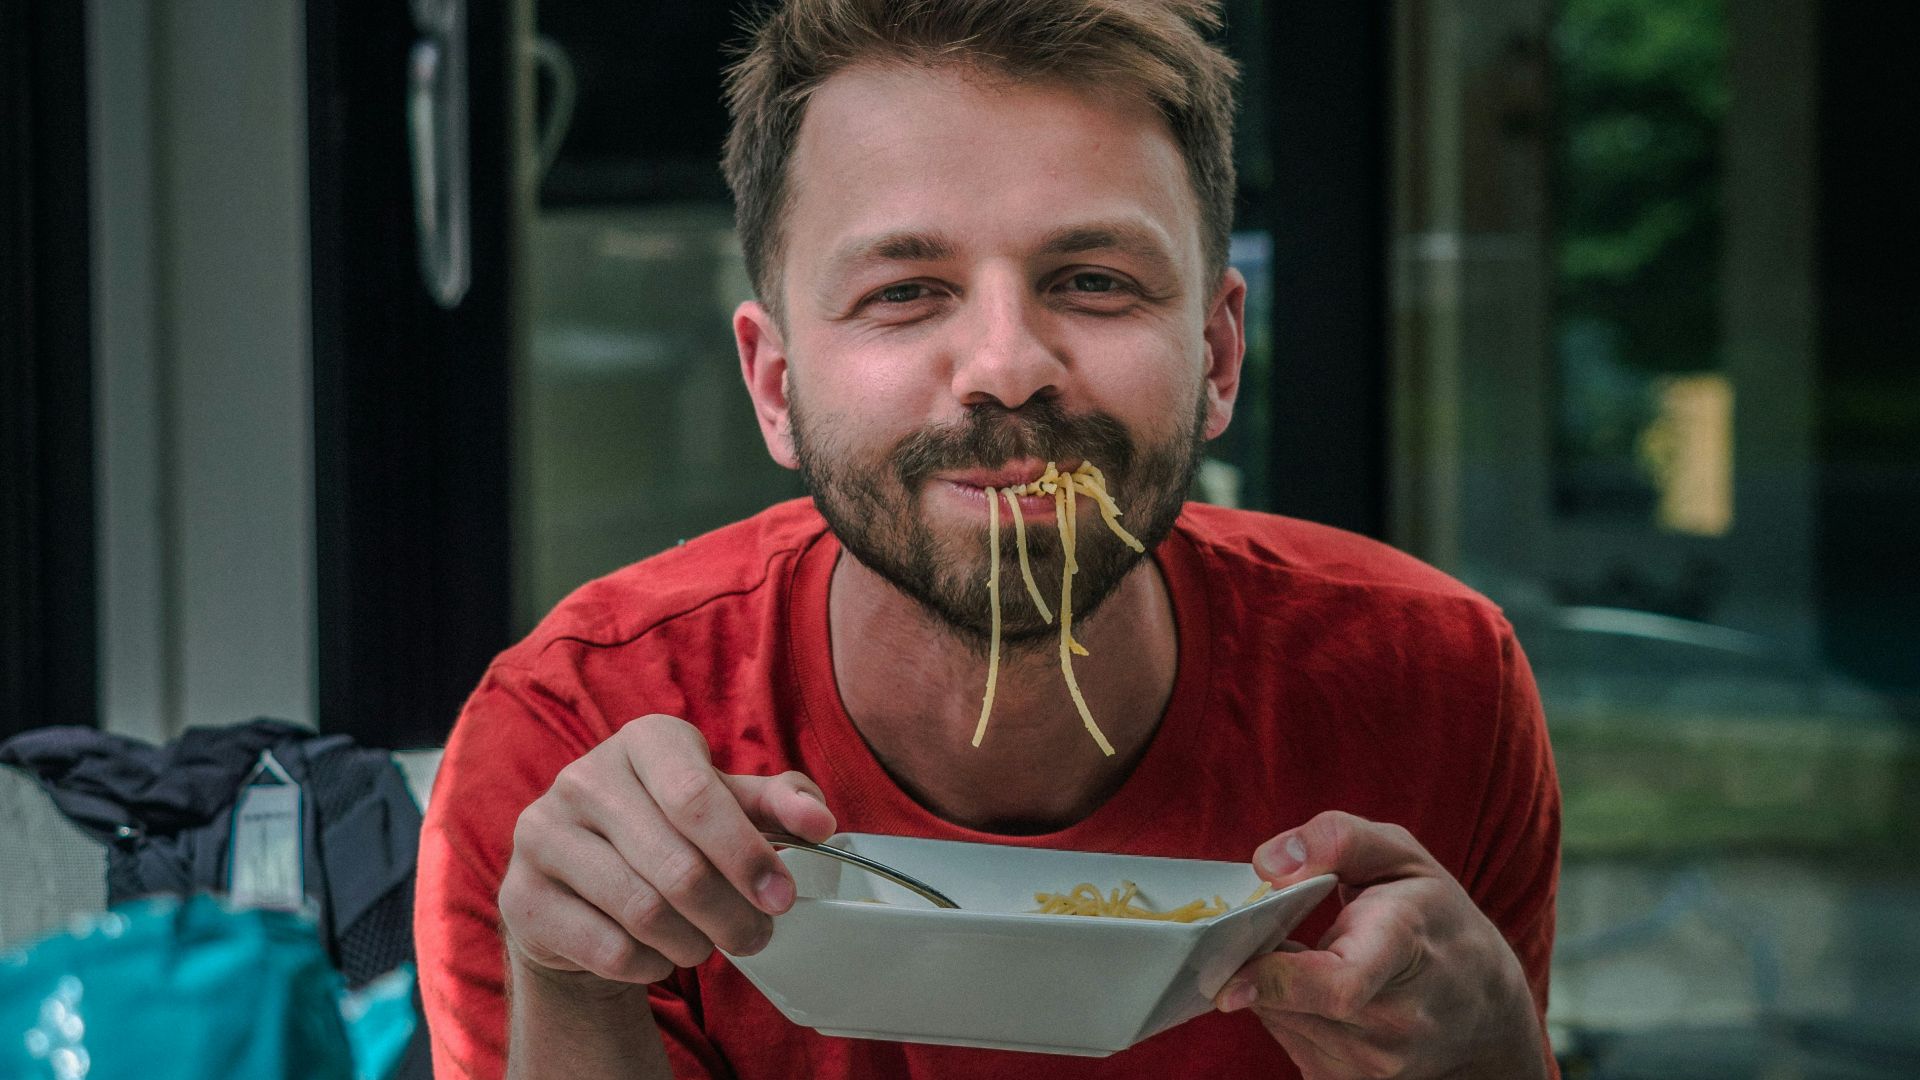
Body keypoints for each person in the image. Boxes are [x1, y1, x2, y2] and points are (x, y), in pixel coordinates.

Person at [415, 1, 1562, 1077]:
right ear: (773, 385)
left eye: (1095, 281)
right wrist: (570, 983)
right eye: (907, 292)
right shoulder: (565, 749)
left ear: (1216, 356)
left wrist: (1501, 1052)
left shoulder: (1434, 687)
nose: (1008, 367)